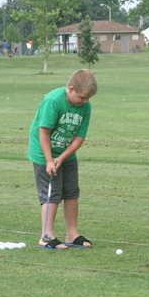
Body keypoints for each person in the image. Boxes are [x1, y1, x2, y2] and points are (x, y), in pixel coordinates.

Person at [27, 69, 98, 249]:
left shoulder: (85, 107)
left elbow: (79, 138)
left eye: (87, 99)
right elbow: (43, 132)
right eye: (81, 97)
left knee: (71, 192)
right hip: (43, 153)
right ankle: (46, 235)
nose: (84, 102)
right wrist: (50, 160)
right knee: (52, 193)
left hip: (66, 153)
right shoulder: (53, 101)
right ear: (71, 89)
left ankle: (72, 234)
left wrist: (63, 157)